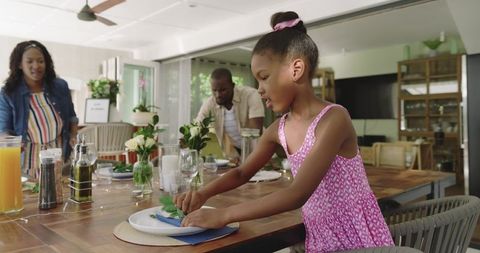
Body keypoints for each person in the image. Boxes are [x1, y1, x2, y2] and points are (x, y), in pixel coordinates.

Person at [175, 11, 394, 252]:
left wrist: (224, 214)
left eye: (264, 78)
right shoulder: (276, 130)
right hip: (321, 239)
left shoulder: (334, 119)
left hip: (357, 239)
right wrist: (202, 194)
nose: (259, 89)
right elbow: (241, 173)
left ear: (296, 69)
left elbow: (297, 193)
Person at [0, 40, 78, 179]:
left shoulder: (60, 86)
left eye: (40, 61)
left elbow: (72, 117)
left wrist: (73, 135)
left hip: (59, 156)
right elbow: (4, 128)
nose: (36, 66)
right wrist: (9, 142)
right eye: (29, 61)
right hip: (29, 162)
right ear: (19, 64)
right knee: (34, 197)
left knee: (60, 195)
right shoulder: (9, 93)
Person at [195, 67, 264, 159]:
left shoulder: (250, 95)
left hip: (261, 152)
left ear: (232, 85)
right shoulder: (210, 103)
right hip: (236, 155)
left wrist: (248, 161)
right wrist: (189, 139)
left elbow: (255, 132)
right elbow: (197, 127)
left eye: (223, 90)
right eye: (214, 90)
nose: (218, 95)